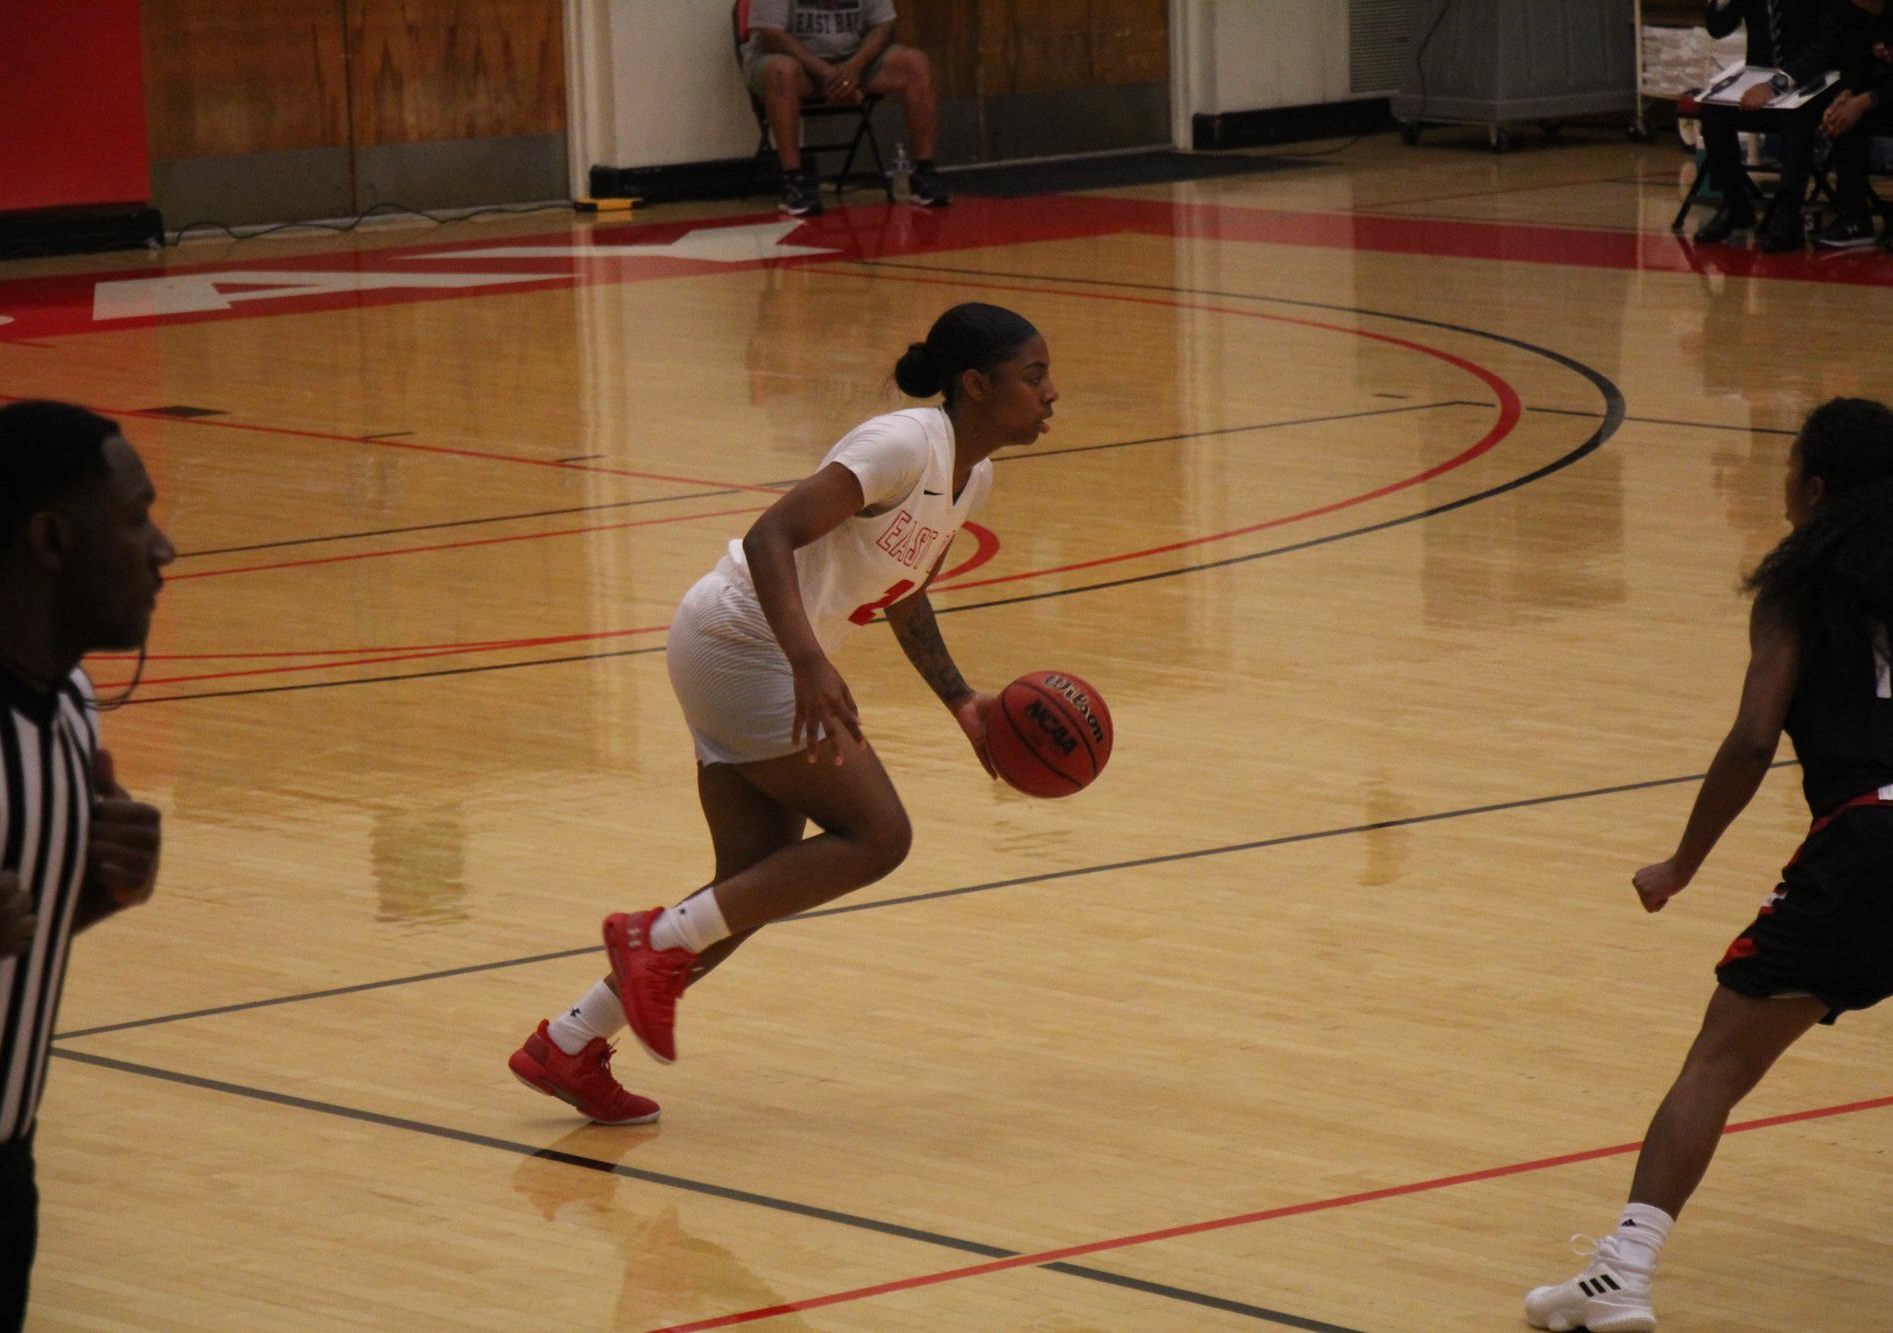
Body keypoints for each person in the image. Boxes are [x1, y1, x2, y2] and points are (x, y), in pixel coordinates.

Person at [508, 303, 1054, 1120]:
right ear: (976, 385)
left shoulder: (971, 475)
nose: (1052, 394)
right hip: (741, 643)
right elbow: (770, 536)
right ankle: (644, 938)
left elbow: (905, 596)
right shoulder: (904, 443)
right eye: (1034, 376)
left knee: (746, 890)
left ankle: (570, 1041)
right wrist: (809, 660)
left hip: (746, 650)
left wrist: (962, 702)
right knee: (879, 836)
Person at [1525, 396, 1893, 1333]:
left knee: (1715, 1066)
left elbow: (1750, 738)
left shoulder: (1799, 584)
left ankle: (1620, 1274)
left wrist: (1683, 861)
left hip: (1867, 839)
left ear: (1811, 487)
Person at [0, 400, 173, 1330]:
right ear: (52, 542)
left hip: (8, 1166)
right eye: (135, 516)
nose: (164, 547)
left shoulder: (71, 704)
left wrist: (100, 892)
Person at [743, 0, 950, 217]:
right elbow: (772, 34)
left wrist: (854, 67)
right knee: (780, 71)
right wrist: (828, 74)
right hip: (795, 62)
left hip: (853, 61)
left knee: (915, 63)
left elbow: (883, 25)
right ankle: (793, 180)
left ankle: (924, 171)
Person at [1693, 0, 1851, 252]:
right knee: (1713, 112)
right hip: (1760, 77)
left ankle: (1789, 212)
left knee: (1795, 116)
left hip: (1813, 78)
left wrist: (1780, 83)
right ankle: (1736, 205)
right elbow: (1718, 28)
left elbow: (1826, 43)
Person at [1813, 3, 1893, 248]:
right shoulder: (1851, 14)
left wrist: (1866, 100)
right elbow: (1853, 61)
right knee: (1843, 118)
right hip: (1877, 94)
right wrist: (1846, 95)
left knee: (1856, 111)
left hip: (1884, 93)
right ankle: (1854, 218)